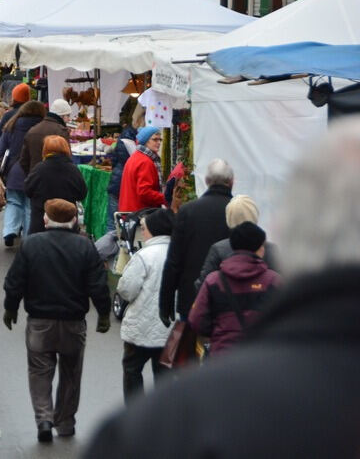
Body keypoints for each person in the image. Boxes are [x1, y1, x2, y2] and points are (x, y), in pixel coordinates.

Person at [83, 118, 360, 458]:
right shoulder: (270, 276)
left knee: (183, 363)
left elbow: (175, 260)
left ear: (289, 228)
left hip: (196, 306)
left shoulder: (161, 426)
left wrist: (166, 301)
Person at [3, 199, 111, 443]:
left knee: (39, 371)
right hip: (73, 322)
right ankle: (65, 421)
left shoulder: (31, 244)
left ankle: (44, 418)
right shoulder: (85, 247)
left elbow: (15, 280)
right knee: (71, 373)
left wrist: (11, 308)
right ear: (74, 221)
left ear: (45, 219)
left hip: (40, 321)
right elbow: (98, 285)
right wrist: (103, 313)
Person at [159, 158, 233, 326]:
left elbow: (174, 261)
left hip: (192, 298)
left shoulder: (188, 211)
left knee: (191, 348)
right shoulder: (235, 211)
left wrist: (166, 302)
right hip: (228, 298)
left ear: (206, 181)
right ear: (231, 182)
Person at [189, 222, 280, 356]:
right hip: (262, 355)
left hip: (223, 355)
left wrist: (218, 332)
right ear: (260, 248)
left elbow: (197, 320)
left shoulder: (213, 281)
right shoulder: (274, 281)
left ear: (233, 246)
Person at [116, 208, 174, 400]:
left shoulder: (144, 256)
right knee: (164, 374)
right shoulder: (179, 254)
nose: (143, 231)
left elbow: (126, 289)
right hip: (169, 328)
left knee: (132, 370)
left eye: (144, 227)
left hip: (141, 324)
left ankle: (135, 415)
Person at [198, 194, 278, 287]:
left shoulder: (218, 249)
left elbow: (202, 285)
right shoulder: (270, 249)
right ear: (255, 215)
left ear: (229, 218)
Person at [0, 100, 46, 246]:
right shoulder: (42, 127)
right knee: (30, 206)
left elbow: (0, 147)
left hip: (14, 170)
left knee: (13, 201)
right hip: (35, 170)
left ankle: (9, 231)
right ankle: (27, 238)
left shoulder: (12, 124)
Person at [24, 135, 87, 235]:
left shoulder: (39, 169)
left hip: (41, 220)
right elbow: (82, 193)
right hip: (67, 221)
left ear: (45, 149)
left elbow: (28, 189)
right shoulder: (73, 169)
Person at [117, 126, 166, 212]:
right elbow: (145, 193)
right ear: (145, 141)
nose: (158, 142)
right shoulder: (145, 162)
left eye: (160, 140)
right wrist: (166, 197)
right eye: (155, 139)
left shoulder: (136, 156)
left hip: (130, 210)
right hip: (140, 213)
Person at [20, 98, 72, 174]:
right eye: (68, 115)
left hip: (35, 179)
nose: (69, 119)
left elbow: (24, 161)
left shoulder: (32, 131)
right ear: (62, 116)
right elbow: (67, 160)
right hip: (55, 179)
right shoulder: (61, 132)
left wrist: (32, 175)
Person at [106, 124, 138, 231]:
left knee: (112, 219)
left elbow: (114, 162)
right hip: (124, 186)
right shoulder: (133, 147)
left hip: (116, 183)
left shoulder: (121, 143)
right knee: (125, 220)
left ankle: (110, 246)